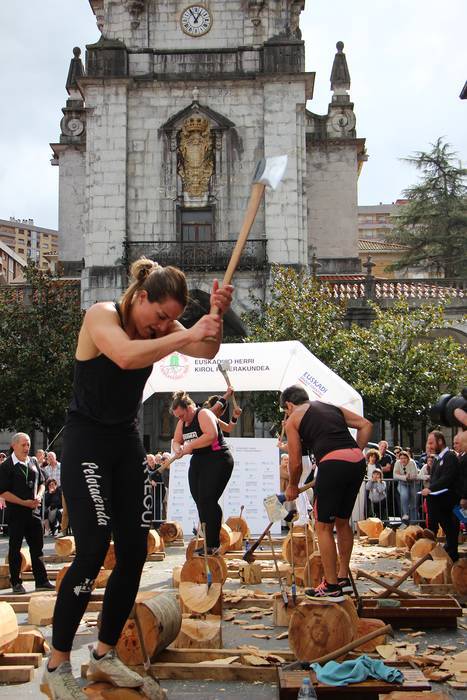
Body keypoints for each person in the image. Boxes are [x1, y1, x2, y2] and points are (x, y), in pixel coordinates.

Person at [42, 257, 233, 699]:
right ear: (141, 297)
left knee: (134, 550)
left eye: (171, 320)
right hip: (87, 443)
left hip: (124, 444)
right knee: (91, 550)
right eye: (160, 316)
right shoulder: (102, 315)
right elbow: (126, 358)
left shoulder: (162, 328)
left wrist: (216, 318)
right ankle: (56, 663)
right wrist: (187, 330)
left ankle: (105, 656)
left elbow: (207, 350)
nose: (163, 326)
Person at [282, 385, 373, 601]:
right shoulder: (332, 408)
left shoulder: (293, 419)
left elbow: (295, 463)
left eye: (285, 411)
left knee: (323, 526)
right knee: (342, 521)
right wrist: (354, 453)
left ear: (288, 405)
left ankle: (331, 586)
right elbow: (365, 425)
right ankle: (343, 579)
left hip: (332, 464)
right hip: (356, 461)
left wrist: (292, 486)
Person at [171, 390, 234, 554]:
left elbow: (211, 435)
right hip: (199, 460)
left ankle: (213, 544)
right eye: (178, 417)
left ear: (189, 408)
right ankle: (208, 541)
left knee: (208, 499)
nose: (181, 419)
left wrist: (190, 446)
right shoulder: (181, 422)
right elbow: (176, 441)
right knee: (200, 500)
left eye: (182, 415)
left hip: (218, 458)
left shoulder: (203, 414)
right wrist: (178, 449)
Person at [0, 433, 54, 594]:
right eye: (23, 445)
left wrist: (38, 496)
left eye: (28, 444)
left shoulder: (33, 461)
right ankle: (16, 581)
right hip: (16, 513)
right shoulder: (6, 466)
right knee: (15, 547)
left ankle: (42, 580)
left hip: (34, 512)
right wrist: (23, 502)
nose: (26, 448)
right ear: (14, 445)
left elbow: (43, 482)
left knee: (37, 548)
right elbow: (3, 491)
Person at [421, 430, 460, 562]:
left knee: (433, 499)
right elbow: (435, 479)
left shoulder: (450, 456)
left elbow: (447, 478)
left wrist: (431, 489)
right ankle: (451, 551)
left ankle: (432, 528)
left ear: (440, 441)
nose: (429, 446)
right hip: (441, 498)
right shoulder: (437, 459)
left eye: (431, 442)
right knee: (449, 526)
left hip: (449, 497)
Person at [393, 450, 418, 524]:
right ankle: (405, 514)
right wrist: (405, 477)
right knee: (404, 495)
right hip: (402, 484)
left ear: (408, 458)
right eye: (401, 458)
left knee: (413, 503)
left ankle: (414, 522)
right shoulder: (397, 463)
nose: (403, 460)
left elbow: (414, 474)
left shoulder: (412, 462)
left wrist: (400, 475)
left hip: (413, 484)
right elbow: (394, 476)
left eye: (405, 458)